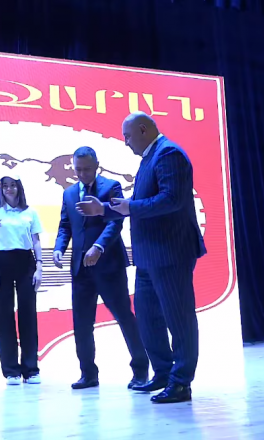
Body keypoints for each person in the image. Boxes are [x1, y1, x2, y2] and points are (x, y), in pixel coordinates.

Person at [76, 112, 206, 404]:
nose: (125, 142)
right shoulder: (150, 157)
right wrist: (104, 210)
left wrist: (127, 207)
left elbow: (171, 200)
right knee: (148, 318)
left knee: (179, 319)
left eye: (127, 135)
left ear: (144, 130)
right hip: (149, 255)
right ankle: (162, 373)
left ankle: (181, 382)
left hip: (170, 252)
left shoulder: (169, 154)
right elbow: (135, 204)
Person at [54, 146, 149, 390]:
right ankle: (88, 374)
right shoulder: (69, 193)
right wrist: (59, 248)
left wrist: (98, 247)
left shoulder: (111, 186)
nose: (82, 174)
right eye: (78, 170)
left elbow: (116, 221)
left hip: (109, 266)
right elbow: (65, 225)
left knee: (124, 317)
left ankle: (140, 370)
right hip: (81, 269)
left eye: (87, 169)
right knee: (82, 323)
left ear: (97, 165)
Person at [0, 175, 43, 386]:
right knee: (4, 315)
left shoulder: (30, 212)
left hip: (25, 261)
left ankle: (31, 369)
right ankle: (11, 370)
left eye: (12, 185)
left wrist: (40, 267)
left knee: (28, 314)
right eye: (5, 186)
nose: (9, 189)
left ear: (19, 187)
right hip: (1, 262)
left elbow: (36, 241)